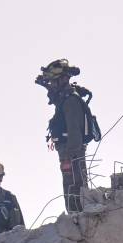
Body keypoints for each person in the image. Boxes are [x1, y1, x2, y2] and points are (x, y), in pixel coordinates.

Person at [36, 59, 97, 212]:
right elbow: (56, 100)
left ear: (63, 80)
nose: (52, 85)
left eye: (54, 82)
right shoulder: (64, 99)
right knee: (70, 184)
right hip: (68, 152)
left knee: (74, 185)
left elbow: (74, 131)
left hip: (71, 152)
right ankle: (74, 216)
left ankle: (78, 216)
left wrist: (70, 157)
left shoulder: (70, 100)